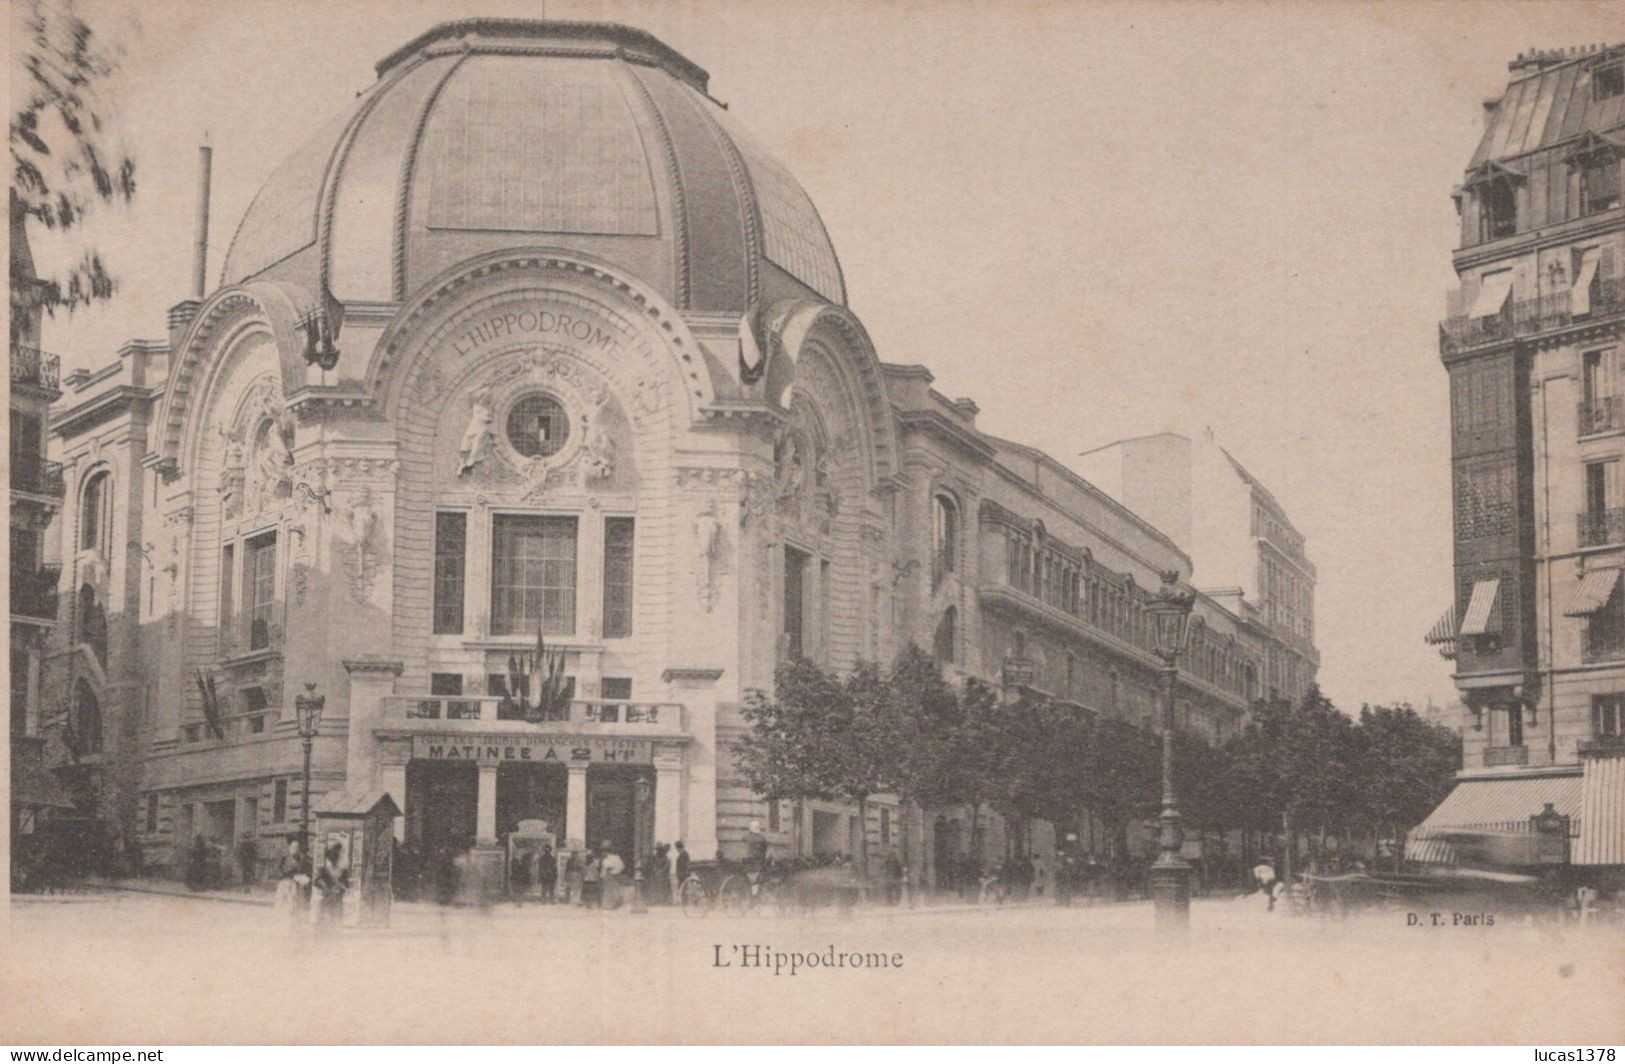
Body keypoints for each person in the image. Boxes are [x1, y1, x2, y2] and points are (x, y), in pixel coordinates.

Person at [314, 843, 349, 929]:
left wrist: (341, 887)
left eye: (336, 858)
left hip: (337, 900)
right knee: (325, 922)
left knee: (335, 922)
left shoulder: (343, 871)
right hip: (327, 899)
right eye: (332, 858)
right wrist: (325, 887)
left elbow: (346, 884)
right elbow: (316, 881)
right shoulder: (324, 871)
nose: (334, 861)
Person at [600, 844, 626, 909]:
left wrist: (615, 872)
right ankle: (607, 905)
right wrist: (602, 876)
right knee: (606, 890)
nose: (602, 853)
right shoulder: (604, 859)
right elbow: (603, 869)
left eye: (604, 851)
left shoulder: (615, 858)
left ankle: (614, 904)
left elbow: (621, 866)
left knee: (613, 890)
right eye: (602, 851)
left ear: (607, 851)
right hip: (606, 876)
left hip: (612, 875)